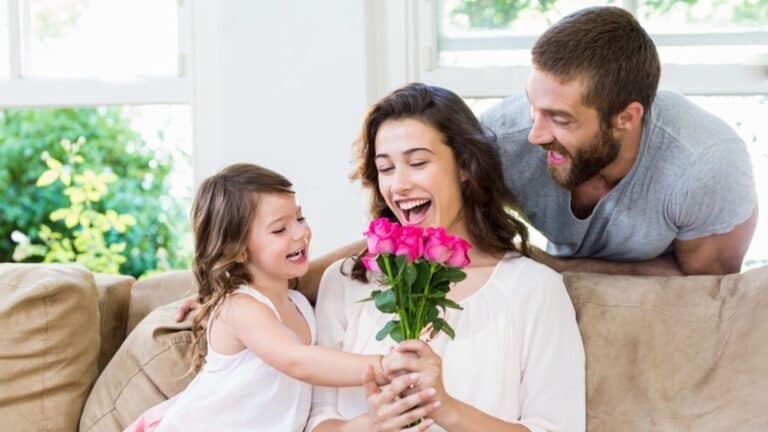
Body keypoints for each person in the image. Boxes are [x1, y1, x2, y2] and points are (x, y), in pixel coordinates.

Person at [306, 83, 585, 431]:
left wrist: (445, 408)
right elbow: (317, 421)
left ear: (465, 167)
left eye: (418, 162)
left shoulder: (534, 288)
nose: (399, 185)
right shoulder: (347, 281)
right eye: (386, 169)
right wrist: (369, 425)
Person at [127, 163, 420, 432]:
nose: (300, 233)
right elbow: (298, 361)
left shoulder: (301, 305)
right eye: (280, 229)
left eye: (300, 217)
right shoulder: (239, 307)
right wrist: (383, 366)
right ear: (238, 250)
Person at [480, 6, 758, 276]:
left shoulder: (707, 164)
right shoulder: (497, 140)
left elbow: (706, 289)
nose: (535, 135)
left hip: (662, 308)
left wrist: (563, 270)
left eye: (561, 119)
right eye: (532, 106)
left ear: (626, 117)